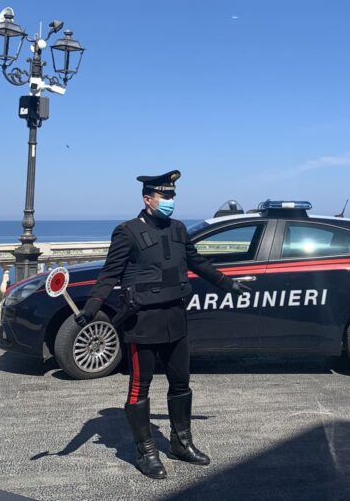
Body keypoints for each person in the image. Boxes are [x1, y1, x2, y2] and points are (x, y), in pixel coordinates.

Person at [75, 170, 250, 479]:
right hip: (143, 323)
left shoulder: (179, 229)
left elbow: (197, 262)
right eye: (165, 196)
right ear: (148, 198)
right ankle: (147, 453)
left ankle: (182, 444)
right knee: (139, 389)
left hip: (176, 319)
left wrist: (228, 284)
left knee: (181, 383)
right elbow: (108, 276)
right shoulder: (127, 232)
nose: (170, 201)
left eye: (172, 196)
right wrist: (90, 310)